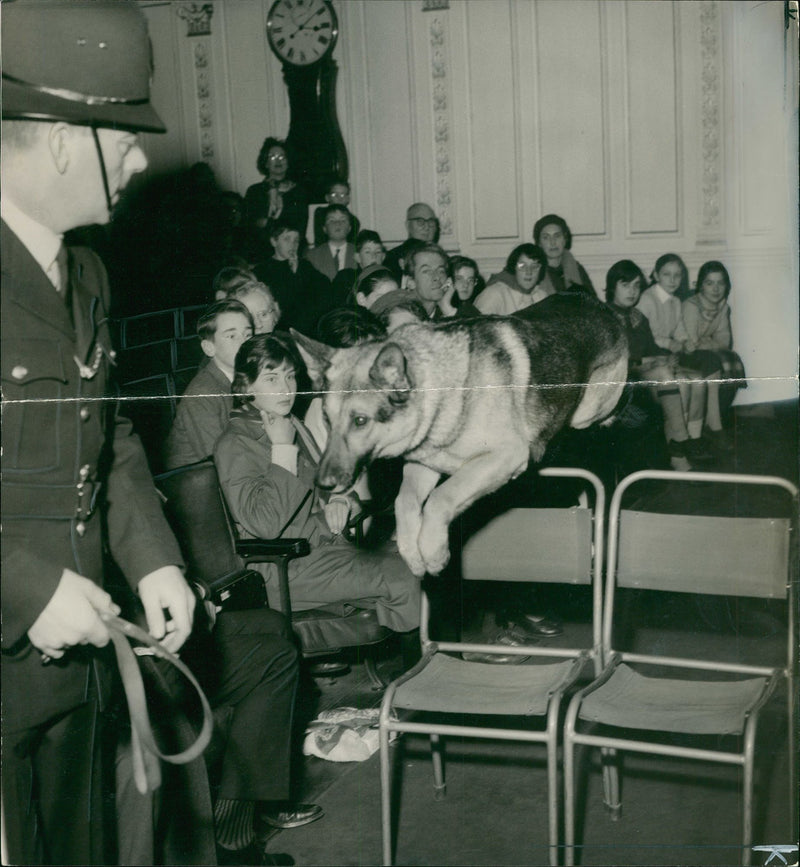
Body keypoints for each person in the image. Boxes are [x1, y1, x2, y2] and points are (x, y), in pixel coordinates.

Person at [1, 3, 198, 863]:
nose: (139, 155)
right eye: (121, 137)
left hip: (78, 665)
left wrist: (152, 553)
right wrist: (27, 590)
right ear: (56, 139)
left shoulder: (84, 270)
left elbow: (109, 435)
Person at [214, 333, 421, 633]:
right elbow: (266, 525)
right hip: (284, 568)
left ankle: (415, 656)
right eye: (271, 379)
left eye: (290, 376)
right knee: (402, 576)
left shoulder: (290, 423)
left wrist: (340, 500)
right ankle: (419, 667)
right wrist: (282, 450)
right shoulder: (235, 444)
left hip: (323, 549)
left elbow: (327, 487)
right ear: (245, 386)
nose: (286, 389)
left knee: (417, 558)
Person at [604, 260, 703, 471]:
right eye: (625, 285)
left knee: (679, 379)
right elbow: (608, 360)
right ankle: (682, 442)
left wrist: (667, 357)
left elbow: (652, 349)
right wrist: (646, 361)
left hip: (647, 376)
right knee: (664, 373)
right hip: (620, 379)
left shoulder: (638, 317)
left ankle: (677, 455)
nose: (632, 291)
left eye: (636, 286)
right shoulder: (604, 316)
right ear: (613, 286)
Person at [638, 254, 714, 466]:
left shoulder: (676, 301)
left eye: (677, 275)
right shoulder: (647, 299)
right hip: (648, 360)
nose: (673, 280)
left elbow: (679, 330)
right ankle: (678, 445)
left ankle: (693, 438)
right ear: (655, 275)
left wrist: (686, 342)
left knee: (698, 380)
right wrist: (672, 345)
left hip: (666, 358)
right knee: (682, 384)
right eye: (667, 275)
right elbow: (647, 337)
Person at [164, 300, 254, 470]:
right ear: (209, 348)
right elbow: (222, 461)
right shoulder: (202, 394)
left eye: (248, 335)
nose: (245, 344)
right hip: (196, 486)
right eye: (231, 336)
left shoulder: (248, 377)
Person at [674, 260, 745, 451]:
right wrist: (708, 342)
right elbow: (692, 342)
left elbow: (725, 341)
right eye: (709, 283)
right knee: (712, 360)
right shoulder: (691, 305)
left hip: (701, 354)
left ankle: (712, 422)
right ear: (701, 286)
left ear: (726, 286)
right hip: (679, 352)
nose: (715, 289)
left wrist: (708, 342)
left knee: (725, 359)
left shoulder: (723, 307)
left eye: (720, 283)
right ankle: (715, 426)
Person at [253, 220, 331, 336]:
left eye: (296, 241)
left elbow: (324, 290)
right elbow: (283, 304)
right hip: (279, 328)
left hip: (306, 328)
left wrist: (297, 272)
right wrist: (293, 276)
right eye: (287, 239)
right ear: (274, 241)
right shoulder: (262, 271)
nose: (293, 245)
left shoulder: (304, 266)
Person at [244, 137, 310, 261]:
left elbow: (300, 226)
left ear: (288, 162)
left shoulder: (298, 192)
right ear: (266, 163)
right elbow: (250, 226)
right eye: (272, 157)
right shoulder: (254, 191)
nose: (278, 160)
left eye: (282, 157)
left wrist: (267, 222)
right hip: (260, 253)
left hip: (291, 251)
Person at [532, 213, 597, 298]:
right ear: (539, 243)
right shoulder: (532, 271)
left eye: (557, 236)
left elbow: (593, 303)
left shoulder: (577, 268)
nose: (553, 242)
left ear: (565, 239)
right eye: (546, 237)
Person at [474, 243, 549, 315]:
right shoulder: (494, 294)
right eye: (522, 266)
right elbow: (476, 325)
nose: (529, 272)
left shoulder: (542, 297)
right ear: (514, 268)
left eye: (534, 266)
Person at [383, 202, 439, 281]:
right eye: (420, 221)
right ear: (408, 225)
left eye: (431, 221)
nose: (427, 227)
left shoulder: (441, 257)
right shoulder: (393, 258)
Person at [330, 228, 387, 304]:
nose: (374, 256)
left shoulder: (389, 279)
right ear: (358, 257)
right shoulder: (345, 278)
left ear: (383, 256)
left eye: (378, 252)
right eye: (367, 252)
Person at [304, 204, 356, 281]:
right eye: (332, 220)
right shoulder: (312, 256)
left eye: (343, 220)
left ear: (349, 228)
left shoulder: (358, 253)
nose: (338, 224)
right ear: (324, 228)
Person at [312, 178, 361, 246]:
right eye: (334, 195)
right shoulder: (320, 213)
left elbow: (350, 246)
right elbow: (320, 241)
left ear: (348, 199)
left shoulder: (353, 220)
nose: (339, 198)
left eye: (343, 195)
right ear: (327, 197)